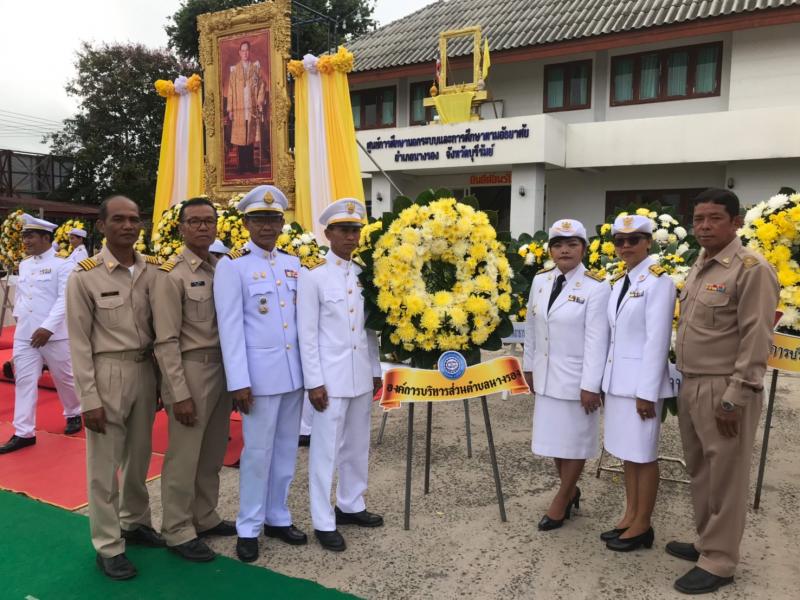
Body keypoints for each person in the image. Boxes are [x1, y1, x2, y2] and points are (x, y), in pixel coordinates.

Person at [669, 189, 779, 594]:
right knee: (701, 470)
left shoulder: (751, 269)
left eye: (714, 218)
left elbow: (756, 337)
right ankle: (707, 542)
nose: (704, 226)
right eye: (698, 219)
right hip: (692, 382)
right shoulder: (701, 264)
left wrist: (738, 395)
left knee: (727, 476)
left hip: (724, 388)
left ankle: (720, 561)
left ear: (736, 222)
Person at [66, 196, 164, 580]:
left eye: (134, 219)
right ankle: (108, 545)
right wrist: (88, 398)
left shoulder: (152, 271)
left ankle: (134, 521)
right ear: (102, 226)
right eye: (119, 219)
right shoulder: (85, 276)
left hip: (144, 370)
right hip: (107, 373)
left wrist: (160, 380)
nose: (128, 226)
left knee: (139, 457)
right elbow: (78, 343)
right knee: (104, 467)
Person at [213, 185, 306, 563]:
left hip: (293, 376)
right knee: (256, 454)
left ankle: (277, 516)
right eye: (259, 219)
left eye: (273, 219)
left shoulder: (293, 264)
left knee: (285, 450)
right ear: (247, 224)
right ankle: (248, 526)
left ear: (282, 223)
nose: (267, 226)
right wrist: (239, 382)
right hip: (258, 380)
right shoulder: (232, 266)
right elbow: (230, 328)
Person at [297, 198, 384, 552]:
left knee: (357, 445)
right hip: (329, 380)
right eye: (344, 230)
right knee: (325, 451)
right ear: (328, 233)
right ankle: (323, 520)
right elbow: (307, 334)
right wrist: (314, 382)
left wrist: (375, 370)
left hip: (360, 375)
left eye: (355, 230)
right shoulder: (313, 276)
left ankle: (351, 504)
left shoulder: (364, 275)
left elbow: (369, 330)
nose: (351, 236)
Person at [153, 198, 236, 563]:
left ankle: (204, 515)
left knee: (213, 451)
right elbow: (165, 340)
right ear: (182, 228)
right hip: (191, 369)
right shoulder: (172, 275)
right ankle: (176, 528)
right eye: (195, 221)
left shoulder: (222, 268)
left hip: (222, 369)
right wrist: (178, 392)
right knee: (184, 456)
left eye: (208, 221)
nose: (203, 227)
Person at [522, 219, 610, 530]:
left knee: (575, 442)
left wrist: (591, 385)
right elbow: (532, 328)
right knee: (555, 442)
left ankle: (561, 499)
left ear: (583, 249)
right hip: (546, 375)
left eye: (572, 244)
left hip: (576, 380)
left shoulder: (597, 286)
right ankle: (570, 490)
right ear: (550, 250)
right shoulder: (540, 280)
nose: (564, 250)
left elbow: (598, 340)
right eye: (558, 245)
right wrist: (528, 367)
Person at [601, 214, 675, 552]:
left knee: (643, 454)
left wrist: (647, 392)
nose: (626, 246)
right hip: (618, 382)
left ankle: (643, 524)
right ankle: (630, 515)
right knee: (627, 453)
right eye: (620, 241)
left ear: (648, 242)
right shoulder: (620, 281)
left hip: (640, 387)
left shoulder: (659, 281)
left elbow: (657, 341)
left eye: (634, 240)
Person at [0, 214, 82, 454]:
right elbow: (23, 297)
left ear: (46, 238)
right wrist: (20, 321)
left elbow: (64, 299)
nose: (26, 241)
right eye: (24, 236)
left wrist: (48, 327)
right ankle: (23, 432)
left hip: (54, 334)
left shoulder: (63, 264)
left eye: (31, 236)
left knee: (64, 378)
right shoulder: (25, 264)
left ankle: (74, 412)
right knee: (24, 380)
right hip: (26, 334)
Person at [227, 40, 266, 174]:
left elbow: (261, 85)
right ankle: (241, 166)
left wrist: (260, 101)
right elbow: (231, 90)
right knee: (240, 137)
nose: (245, 53)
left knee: (250, 137)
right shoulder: (234, 70)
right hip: (238, 108)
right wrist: (230, 109)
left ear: (249, 52)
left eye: (247, 50)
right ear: (239, 53)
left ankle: (250, 165)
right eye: (242, 50)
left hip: (251, 107)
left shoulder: (255, 68)